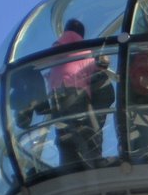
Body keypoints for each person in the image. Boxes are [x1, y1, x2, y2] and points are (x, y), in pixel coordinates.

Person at [47, 19, 113, 167]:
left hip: (57, 94)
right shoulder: (75, 41)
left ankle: (69, 163)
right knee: (86, 128)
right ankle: (93, 160)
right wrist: (101, 62)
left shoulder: (69, 54)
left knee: (65, 132)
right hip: (74, 90)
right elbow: (95, 67)